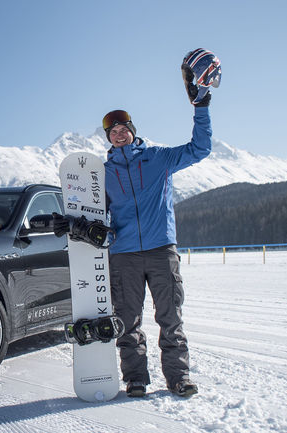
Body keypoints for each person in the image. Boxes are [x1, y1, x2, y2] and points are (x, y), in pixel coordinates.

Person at [100, 49, 219, 398]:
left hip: (161, 250)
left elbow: (200, 148)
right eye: (113, 131)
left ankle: (178, 377)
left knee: (170, 319)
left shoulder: (159, 158)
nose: (119, 134)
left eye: (123, 128)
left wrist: (201, 107)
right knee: (128, 322)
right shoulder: (102, 174)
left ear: (132, 131)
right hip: (123, 256)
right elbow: (94, 213)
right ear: (108, 138)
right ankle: (135, 379)